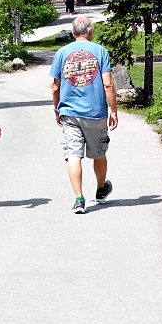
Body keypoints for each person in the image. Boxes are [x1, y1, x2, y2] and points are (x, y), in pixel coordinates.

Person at [50, 15, 118, 214]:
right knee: (99, 153)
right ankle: (100, 189)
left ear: (73, 33)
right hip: (95, 112)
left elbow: (55, 87)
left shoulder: (62, 53)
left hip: (69, 112)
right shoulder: (100, 51)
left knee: (73, 154)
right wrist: (113, 110)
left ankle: (79, 199)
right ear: (90, 32)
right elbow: (108, 83)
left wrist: (56, 109)